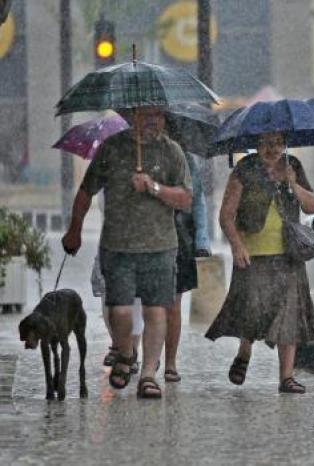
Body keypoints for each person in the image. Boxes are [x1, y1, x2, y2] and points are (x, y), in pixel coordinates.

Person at [62, 106, 192, 399]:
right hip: (117, 246)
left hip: (160, 246)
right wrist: (74, 230)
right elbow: (86, 191)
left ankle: (148, 375)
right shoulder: (112, 149)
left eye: (158, 116)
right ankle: (124, 353)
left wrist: (154, 187)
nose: (153, 121)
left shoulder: (172, 152)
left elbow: (185, 199)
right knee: (119, 310)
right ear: (133, 117)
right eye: (146, 115)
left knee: (155, 310)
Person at [205, 131, 314, 394]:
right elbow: (226, 215)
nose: (273, 149)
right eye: (267, 143)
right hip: (253, 253)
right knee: (253, 311)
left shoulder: (293, 166)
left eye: (278, 143)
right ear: (256, 144)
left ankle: (286, 378)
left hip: (289, 254)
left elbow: (312, 206)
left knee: (288, 315)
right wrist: (237, 245)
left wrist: (294, 184)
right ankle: (244, 352)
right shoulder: (245, 169)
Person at [163, 151, 210, 383]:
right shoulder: (136, 156)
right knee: (150, 306)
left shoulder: (185, 159)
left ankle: (170, 362)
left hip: (180, 237)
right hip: (147, 236)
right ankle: (143, 356)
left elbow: (198, 200)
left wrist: (202, 239)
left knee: (173, 304)